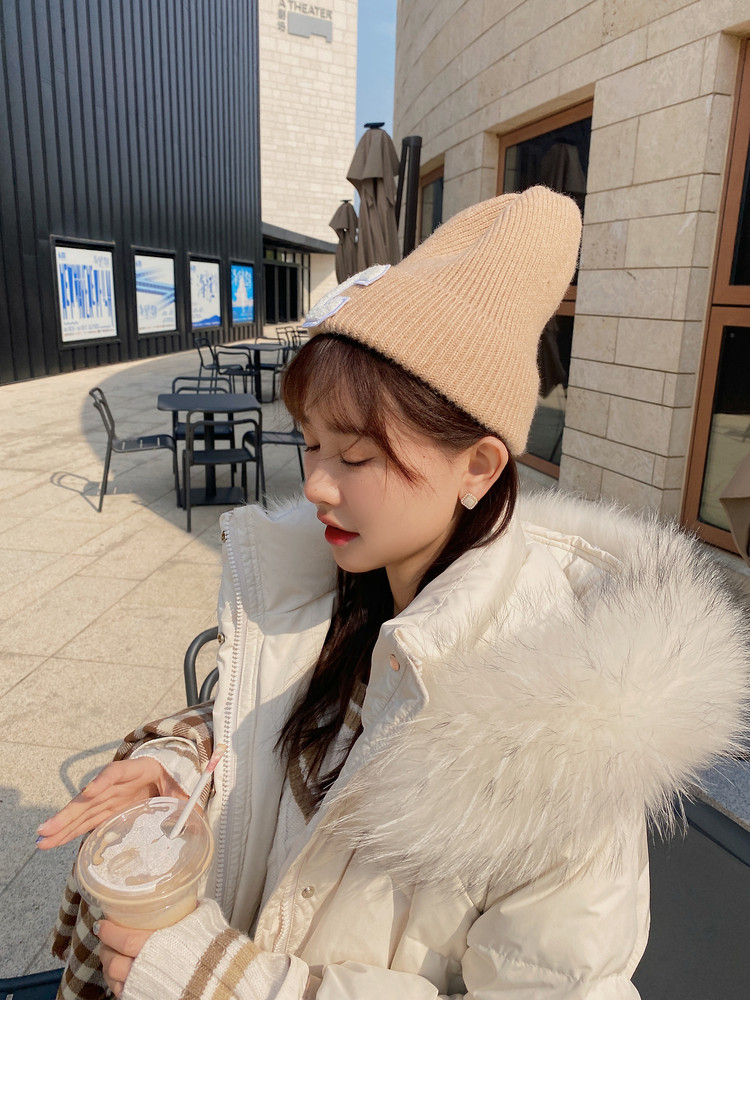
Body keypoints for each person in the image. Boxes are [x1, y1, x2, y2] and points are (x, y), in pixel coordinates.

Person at [39, 186, 749, 999]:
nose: (316, 484)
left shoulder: (568, 730)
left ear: (477, 467)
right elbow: (279, 723)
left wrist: (233, 990)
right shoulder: (344, 591)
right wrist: (185, 760)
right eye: (310, 443)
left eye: (356, 457)